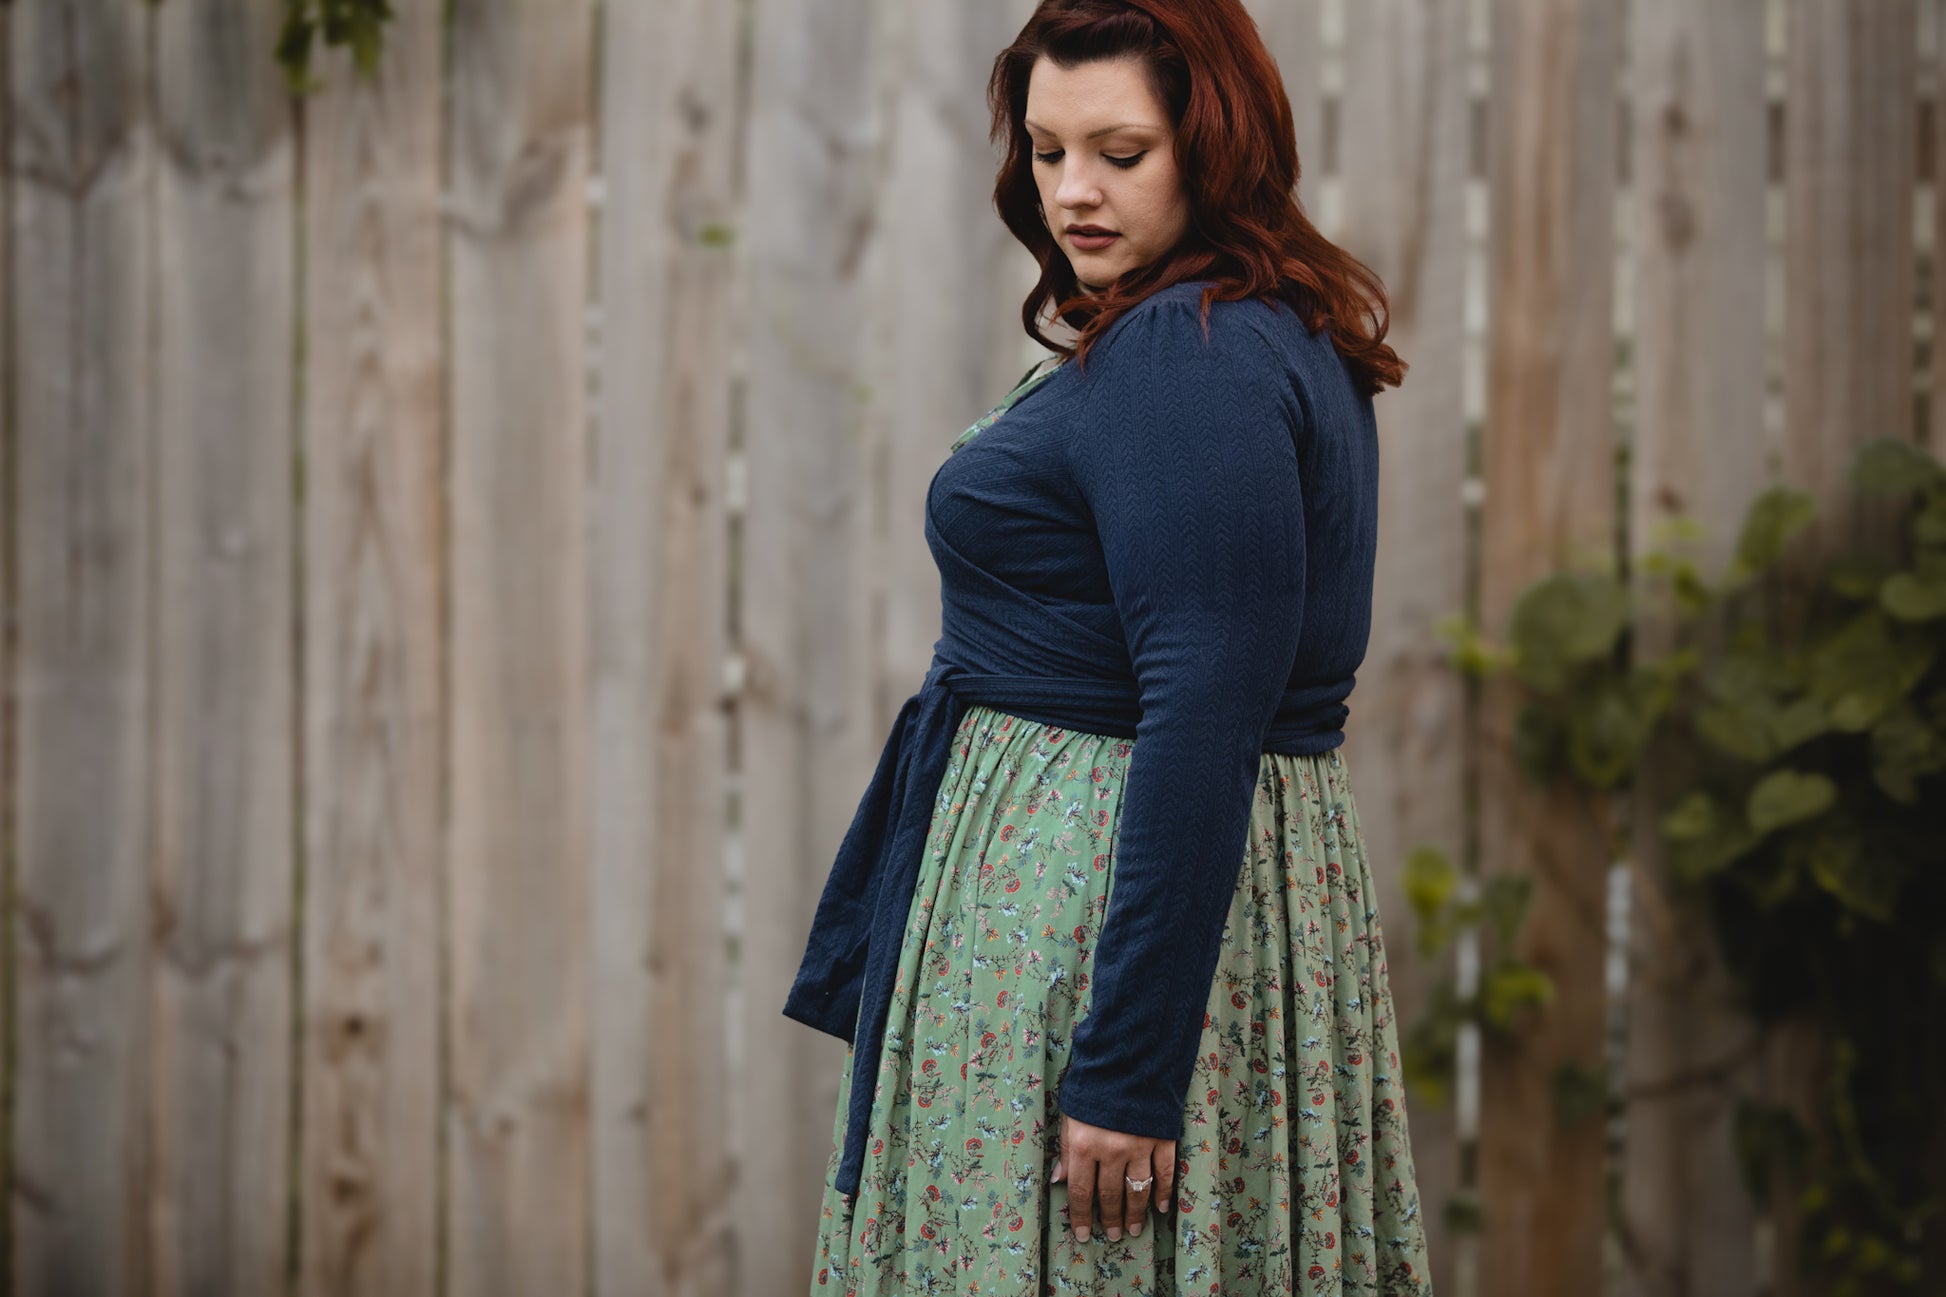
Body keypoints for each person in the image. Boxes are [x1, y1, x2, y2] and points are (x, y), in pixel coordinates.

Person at [783, 0, 1436, 1292]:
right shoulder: (1249, 325)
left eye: (1120, 153)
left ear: (1215, 143)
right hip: (1171, 900)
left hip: (1088, 921)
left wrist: (1129, 1068)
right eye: (1046, 151)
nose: (1072, 191)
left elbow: (1204, 709)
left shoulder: (1188, 352)